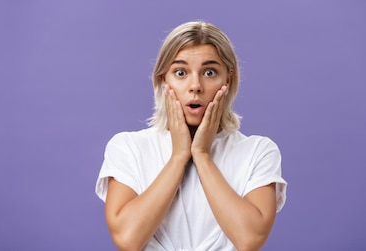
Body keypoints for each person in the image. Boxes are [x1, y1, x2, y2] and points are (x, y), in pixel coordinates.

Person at [95, 21, 287, 251]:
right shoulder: (127, 147)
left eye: (209, 72)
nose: (195, 86)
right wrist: (178, 156)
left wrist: (202, 154)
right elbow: (128, 239)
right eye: (180, 72)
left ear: (227, 79)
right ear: (163, 79)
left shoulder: (259, 151)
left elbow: (249, 239)